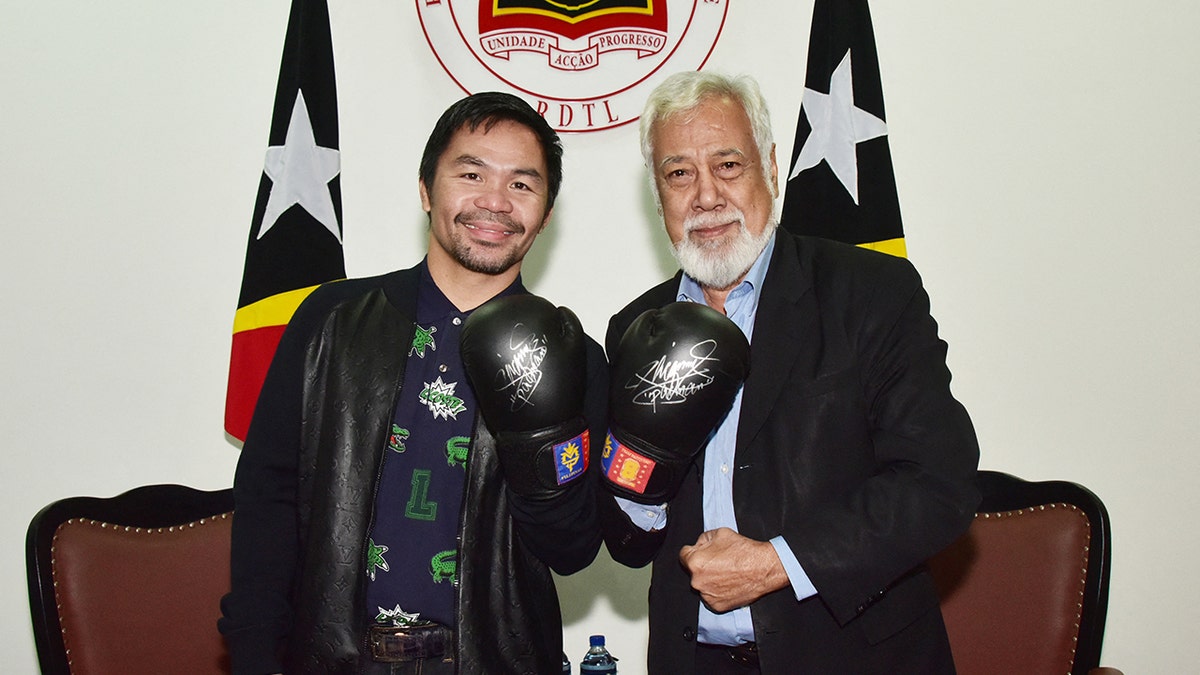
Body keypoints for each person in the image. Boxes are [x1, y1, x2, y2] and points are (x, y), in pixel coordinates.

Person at [598, 71, 981, 674]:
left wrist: (778, 562)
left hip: (852, 659)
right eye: (679, 173)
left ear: (771, 168)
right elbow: (628, 545)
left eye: (728, 165)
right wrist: (641, 487)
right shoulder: (634, 328)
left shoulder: (871, 293)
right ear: (658, 192)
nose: (705, 196)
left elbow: (939, 483)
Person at [219, 92, 607, 675]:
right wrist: (252, 654)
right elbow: (267, 496)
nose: (495, 202)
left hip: (498, 659)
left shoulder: (576, 357)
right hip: (331, 657)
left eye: (522, 185)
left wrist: (538, 443)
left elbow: (573, 551)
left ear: (546, 215)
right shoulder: (331, 318)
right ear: (426, 189)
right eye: (471, 173)